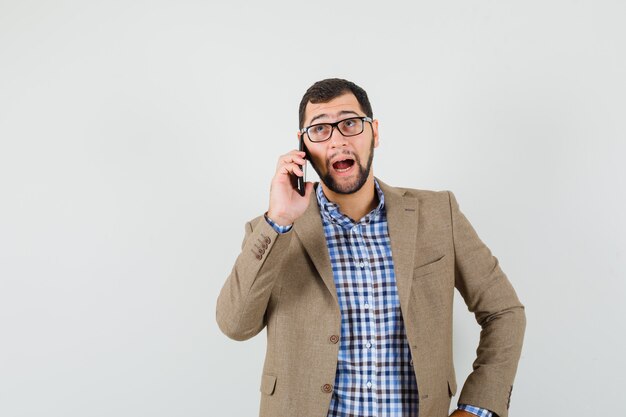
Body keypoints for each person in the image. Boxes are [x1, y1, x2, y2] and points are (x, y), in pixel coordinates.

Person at [216, 78, 525, 417]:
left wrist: (477, 407)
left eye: (350, 123)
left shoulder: (438, 214)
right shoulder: (274, 230)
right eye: (320, 129)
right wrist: (278, 219)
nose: (337, 140)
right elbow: (235, 324)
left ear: (374, 132)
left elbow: (503, 311)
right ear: (302, 146)